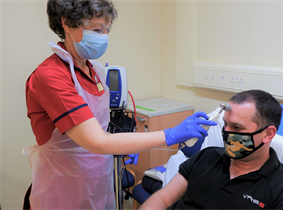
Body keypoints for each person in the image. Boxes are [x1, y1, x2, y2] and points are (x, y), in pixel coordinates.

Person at [24, 0, 216, 209]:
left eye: (107, 29)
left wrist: (123, 144)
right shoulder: (51, 76)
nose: (104, 36)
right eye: (97, 29)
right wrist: (171, 134)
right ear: (67, 24)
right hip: (64, 186)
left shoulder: (93, 71)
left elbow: (99, 131)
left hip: (96, 180)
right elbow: (96, 141)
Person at [139, 90, 283, 210]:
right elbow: (162, 198)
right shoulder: (206, 156)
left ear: (268, 134)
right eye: (226, 125)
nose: (227, 133)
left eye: (237, 128)